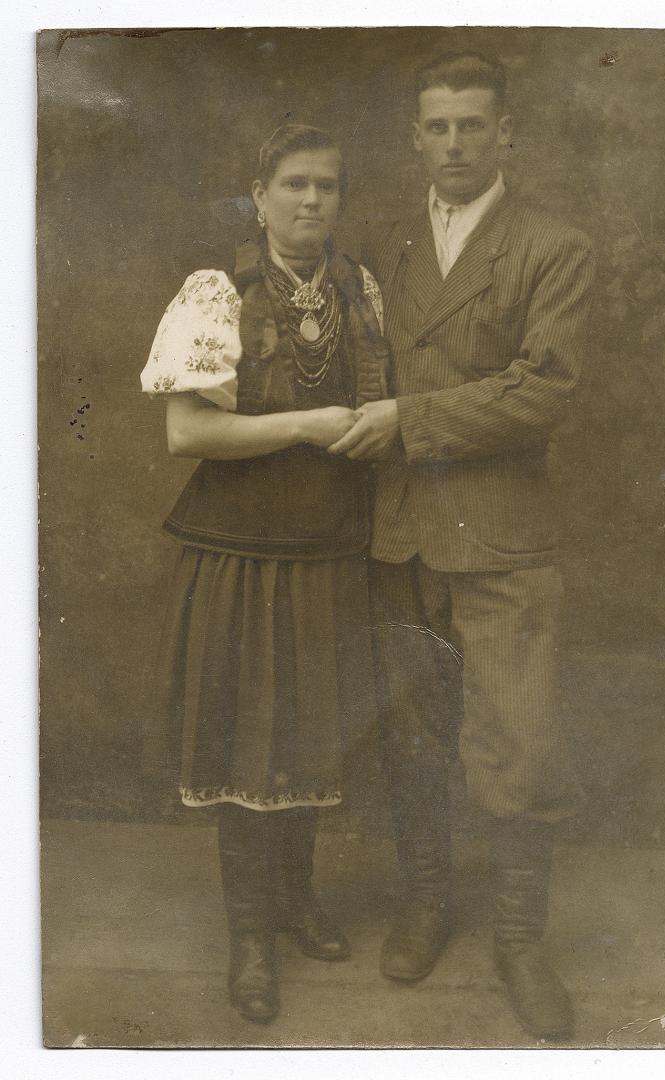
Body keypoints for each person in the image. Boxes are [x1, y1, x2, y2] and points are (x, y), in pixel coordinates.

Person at [330, 52, 595, 1039]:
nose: (453, 144)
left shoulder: (552, 246)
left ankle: (523, 940)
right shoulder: (392, 248)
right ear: (415, 138)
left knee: (518, 743)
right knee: (414, 738)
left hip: (501, 536)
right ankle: (427, 902)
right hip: (402, 537)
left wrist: (408, 414)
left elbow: (545, 392)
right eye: (436, 128)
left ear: (505, 134)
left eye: (472, 126)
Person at [140, 124, 388, 1024]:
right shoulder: (216, 292)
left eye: (327, 185)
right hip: (239, 551)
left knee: (311, 725)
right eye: (293, 184)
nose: (311, 201)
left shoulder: (361, 290)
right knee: (246, 733)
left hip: (328, 547)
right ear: (260, 195)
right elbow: (187, 433)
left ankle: (296, 900)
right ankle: (249, 930)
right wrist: (308, 425)